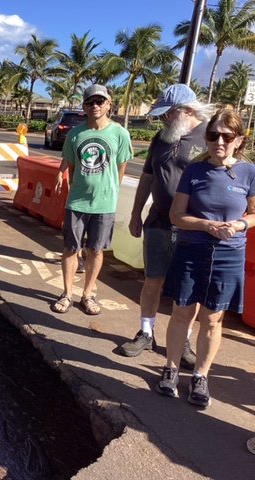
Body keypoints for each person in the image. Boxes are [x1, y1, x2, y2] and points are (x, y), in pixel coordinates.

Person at [154, 109, 255, 407]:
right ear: (206, 138)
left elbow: (253, 214)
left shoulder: (249, 173)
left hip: (229, 254)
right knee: (182, 312)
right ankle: (170, 368)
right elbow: (176, 215)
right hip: (192, 250)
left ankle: (200, 376)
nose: (219, 142)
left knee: (212, 319)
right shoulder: (194, 171)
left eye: (227, 136)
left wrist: (239, 225)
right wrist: (206, 225)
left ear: (239, 140)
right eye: (213, 135)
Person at [119, 84, 216, 368]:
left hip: (192, 228)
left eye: (166, 115)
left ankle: (182, 339)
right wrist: (137, 213)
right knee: (153, 281)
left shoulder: (211, 136)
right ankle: (146, 332)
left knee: (188, 290)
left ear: (186, 111)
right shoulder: (161, 138)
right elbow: (148, 178)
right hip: (159, 223)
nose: (162, 120)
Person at [51, 84, 133, 315]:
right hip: (77, 202)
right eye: (90, 102)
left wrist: (111, 192)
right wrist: (62, 173)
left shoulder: (120, 133)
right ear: (84, 106)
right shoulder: (76, 134)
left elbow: (121, 168)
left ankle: (87, 294)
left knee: (96, 250)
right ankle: (67, 293)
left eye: (100, 101)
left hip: (104, 204)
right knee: (70, 248)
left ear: (109, 104)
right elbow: (70, 162)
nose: (95, 106)